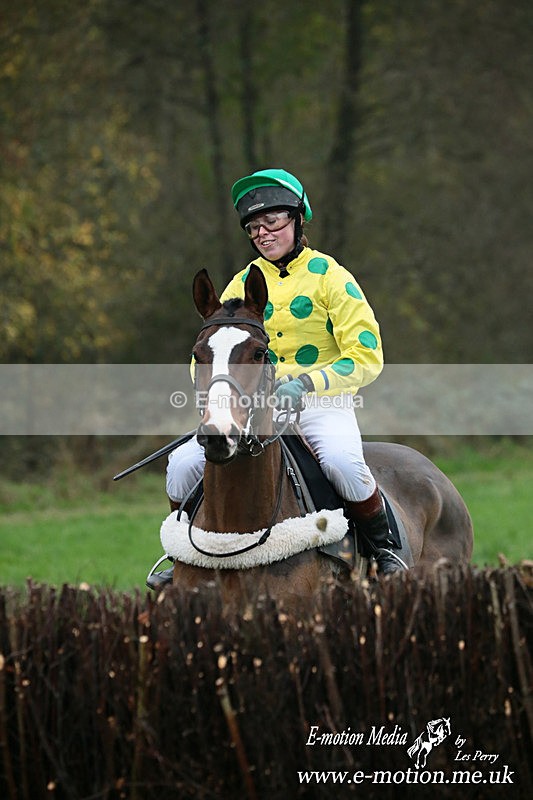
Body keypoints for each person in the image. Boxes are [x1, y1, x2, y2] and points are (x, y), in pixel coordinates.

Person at [147, 168, 406, 588]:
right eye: (254, 227)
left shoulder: (330, 277)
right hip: (252, 409)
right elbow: (208, 357)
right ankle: (182, 557)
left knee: (343, 462)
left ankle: (385, 552)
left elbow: (367, 355)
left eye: (273, 221)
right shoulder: (240, 283)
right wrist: (219, 398)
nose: (263, 233)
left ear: (298, 220)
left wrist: (305, 384)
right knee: (181, 465)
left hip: (320, 403)